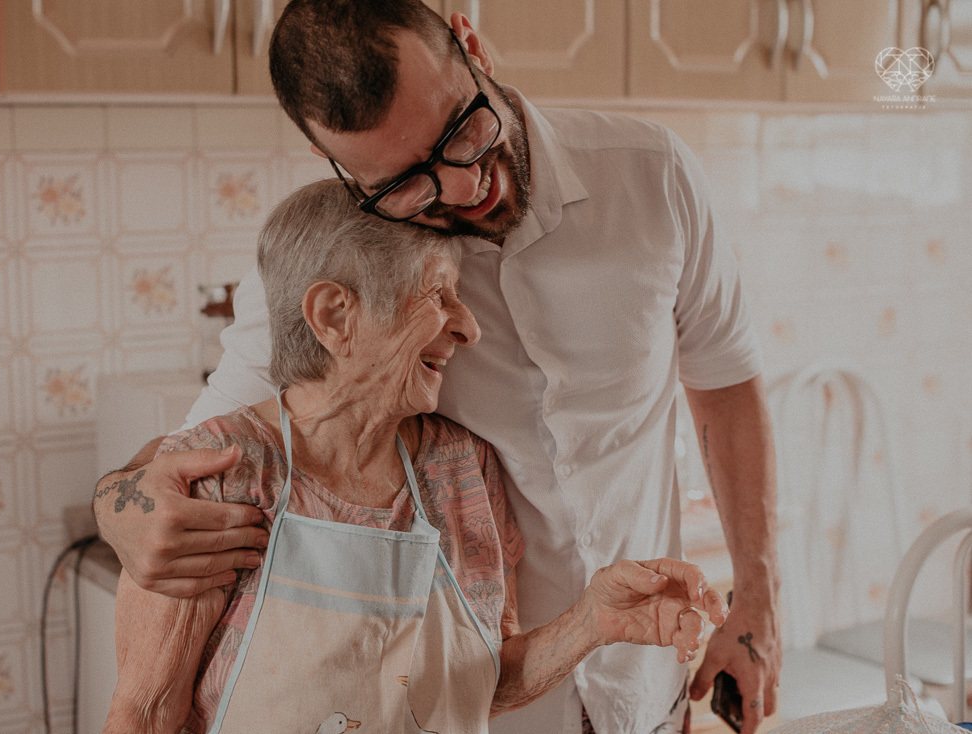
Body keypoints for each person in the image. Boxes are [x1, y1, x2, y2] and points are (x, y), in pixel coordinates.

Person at [92, 2, 781, 732]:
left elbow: (728, 388)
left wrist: (759, 605)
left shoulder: (654, 177)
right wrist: (119, 508)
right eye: (405, 183)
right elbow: (203, 448)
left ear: (473, 47)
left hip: (648, 679)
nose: (461, 188)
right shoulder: (342, 264)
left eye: (461, 131)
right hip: (488, 704)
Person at [101, 180, 728, 734]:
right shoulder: (220, 475)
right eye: (438, 293)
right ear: (334, 315)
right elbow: (144, 715)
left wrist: (593, 620)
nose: (468, 329)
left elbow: (480, 680)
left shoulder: (463, 472)